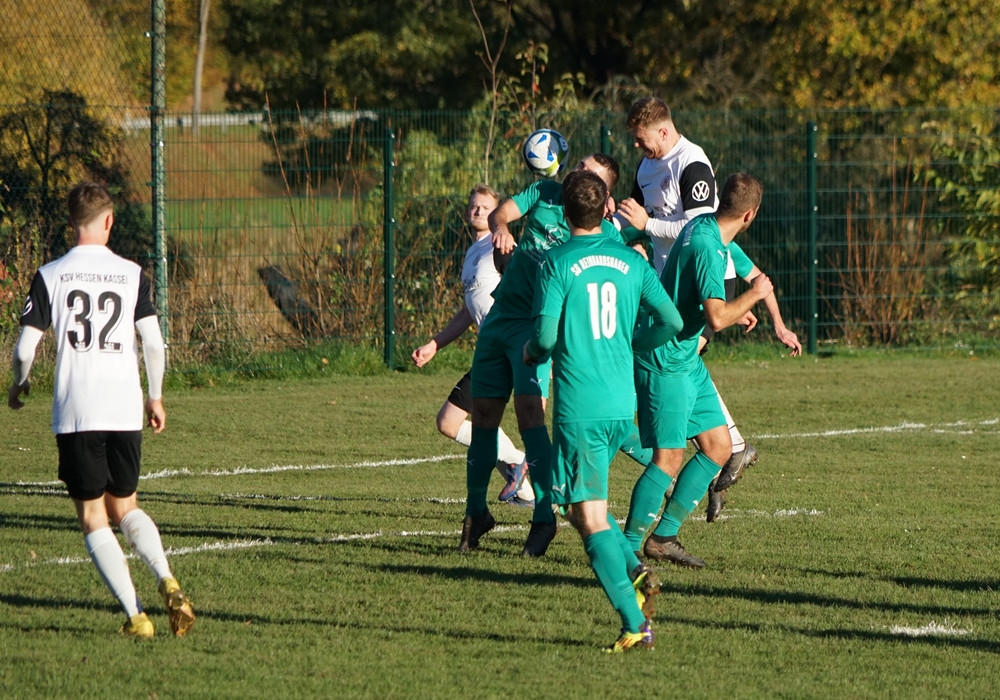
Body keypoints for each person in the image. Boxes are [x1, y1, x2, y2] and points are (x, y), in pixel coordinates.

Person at [7, 181, 195, 639]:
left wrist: (20, 382)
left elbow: (25, 348)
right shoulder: (132, 274)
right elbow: (153, 343)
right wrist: (154, 396)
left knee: (94, 516)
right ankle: (167, 578)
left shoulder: (51, 274)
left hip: (78, 411)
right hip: (125, 408)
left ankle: (136, 615)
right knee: (126, 506)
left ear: (71, 224)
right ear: (109, 221)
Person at [615, 96, 800, 519]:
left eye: (643, 140)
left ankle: (708, 459)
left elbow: (704, 233)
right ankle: (722, 454)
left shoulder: (692, 165)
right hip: (672, 289)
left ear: (664, 130)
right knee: (671, 387)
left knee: (664, 397)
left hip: (696, 289)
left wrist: (647, 227)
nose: (638, 149)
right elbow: (645, 220)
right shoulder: (647, 169)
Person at [523, 169, 683, 651]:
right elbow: (672, 320)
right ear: (606, 207)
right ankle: (633, 569)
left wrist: (532, 352)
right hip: (620, 404)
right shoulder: (631, 261)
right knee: (578, 504)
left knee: (588, 516)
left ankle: (635, 623)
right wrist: (636, 343)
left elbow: (545, 337)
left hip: (581, 407)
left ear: (564, 210)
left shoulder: (555, 261)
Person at [458, 153, 623, 556]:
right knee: (483, 414)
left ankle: (544, 517)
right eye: (578, 165)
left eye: (588, 172)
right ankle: (476, 512)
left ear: (605, 196)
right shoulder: (545, 191)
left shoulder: (602, 233)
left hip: (536, 328)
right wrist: (501, 230)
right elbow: (501, 213)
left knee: (530, 415)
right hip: (500, 316)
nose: (577, 172)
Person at [623, 173, 773, 568]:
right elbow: (717, 318)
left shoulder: (703, 224)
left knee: (719, 447)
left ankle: (663, 538)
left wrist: (735, 309)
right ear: (751, 214)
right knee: (668, 458)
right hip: (664, 357)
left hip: (685, 356)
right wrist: (753, 296)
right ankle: (627, 547)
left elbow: (703, 299)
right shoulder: (708, 246)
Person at [411, 185, 535, 506]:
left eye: (485, 207)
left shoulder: (501, 244)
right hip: (490, 351)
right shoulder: (472, 252)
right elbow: (469, 311)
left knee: (452, 422)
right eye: (473, 206)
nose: (478, 211)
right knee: (457, 423)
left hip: (506, 350)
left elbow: (529, 291)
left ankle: (519, 465)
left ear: (497, 213)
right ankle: (525, 489)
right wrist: (435, 344)